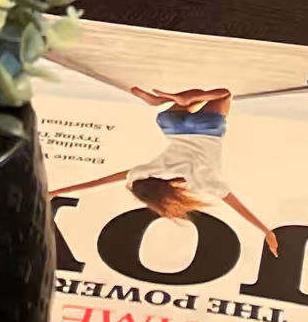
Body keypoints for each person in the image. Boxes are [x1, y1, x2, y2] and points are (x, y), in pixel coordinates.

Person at [54, 83, 278, 254]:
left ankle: (186, 100)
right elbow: (98, 182)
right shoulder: (148, 173)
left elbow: (237, 206)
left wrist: (266, 231)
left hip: (209, 128)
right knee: (194, 96)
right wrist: (54, 192)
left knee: (224, 94)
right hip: (171, 125)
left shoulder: (202, 182)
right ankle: (165, 101)